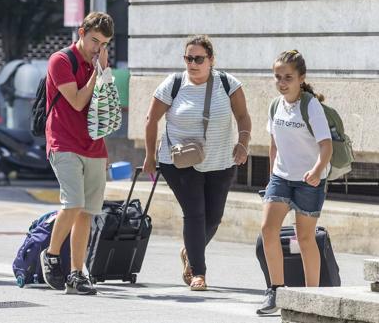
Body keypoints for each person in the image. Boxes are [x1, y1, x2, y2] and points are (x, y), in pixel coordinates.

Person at [142, 35, 252, 291]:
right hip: (179, 162)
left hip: (221, 160)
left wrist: (243, 144)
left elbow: (244, 117)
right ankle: (198, 273)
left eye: (198, 58)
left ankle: (190, 251)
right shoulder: (174, 84)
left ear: (211, 60)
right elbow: (151, 120)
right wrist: (149, 155)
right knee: (195, 214)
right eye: (188, 58)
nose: (192, 63)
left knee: (213, 218)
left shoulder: (227, 83)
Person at [39, 12, 114, 295]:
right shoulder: (61, 60)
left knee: (87, 212)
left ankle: (76, 274)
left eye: (104, 43)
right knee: (72, 203)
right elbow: (79, 100)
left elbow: (106, 103)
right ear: (81, 32)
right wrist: (98, 71)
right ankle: (51, 254)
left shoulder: (100, 65)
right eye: (94, 40)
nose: (98, 48)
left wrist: (104, 73)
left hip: (95, 145)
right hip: (63, 142)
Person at [256, 50, 332, 314]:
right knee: (267, 229)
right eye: (277, 77)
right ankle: (275, 290)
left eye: (288, 77)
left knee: (305, 237)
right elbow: (274, 145)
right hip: (281, 177)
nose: (282, 82)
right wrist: (270, 179)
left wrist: (316, 170)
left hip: (309, 180)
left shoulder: (310, 105)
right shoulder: (275, 105)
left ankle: (312, 300)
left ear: (301, 77)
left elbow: (326, 146)